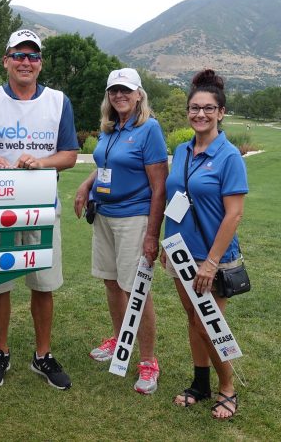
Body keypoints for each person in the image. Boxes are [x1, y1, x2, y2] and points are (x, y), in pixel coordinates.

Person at [0, 29, 79, 390]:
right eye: (18, 55)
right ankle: (1, 351)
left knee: (43, 284)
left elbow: (69, 155)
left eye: (33, 56)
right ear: (6, 60)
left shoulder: (59, 101)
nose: (25, 62)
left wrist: (43, 162)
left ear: (40, 63)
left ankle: (42, 354)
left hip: (43, 207)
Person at [73, 68, 167, 394]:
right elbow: (104, 166)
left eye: (126, 90)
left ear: (139, 94)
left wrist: (153, 235)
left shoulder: (149, 129)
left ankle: (148, 361)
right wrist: (86, 186)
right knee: (112, 284)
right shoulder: (111, 128)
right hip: (103, 216)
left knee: (135, 290)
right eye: (114, 90)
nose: (119, 95)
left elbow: (159, 188)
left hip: (134, 219)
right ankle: (118, 340)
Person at [161, 69, 248, 420]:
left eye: (208, 108)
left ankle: (227, 388)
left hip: (212, 258)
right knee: (192, 320)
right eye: (194, 108)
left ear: (221, 112)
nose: (200, 114)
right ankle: (200, 384)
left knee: (211, 324)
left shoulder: (229, 157)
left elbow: (234, 215)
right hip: (182, 253)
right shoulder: (181, 150)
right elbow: (175, 198)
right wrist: (167, 244)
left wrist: (211, 263)